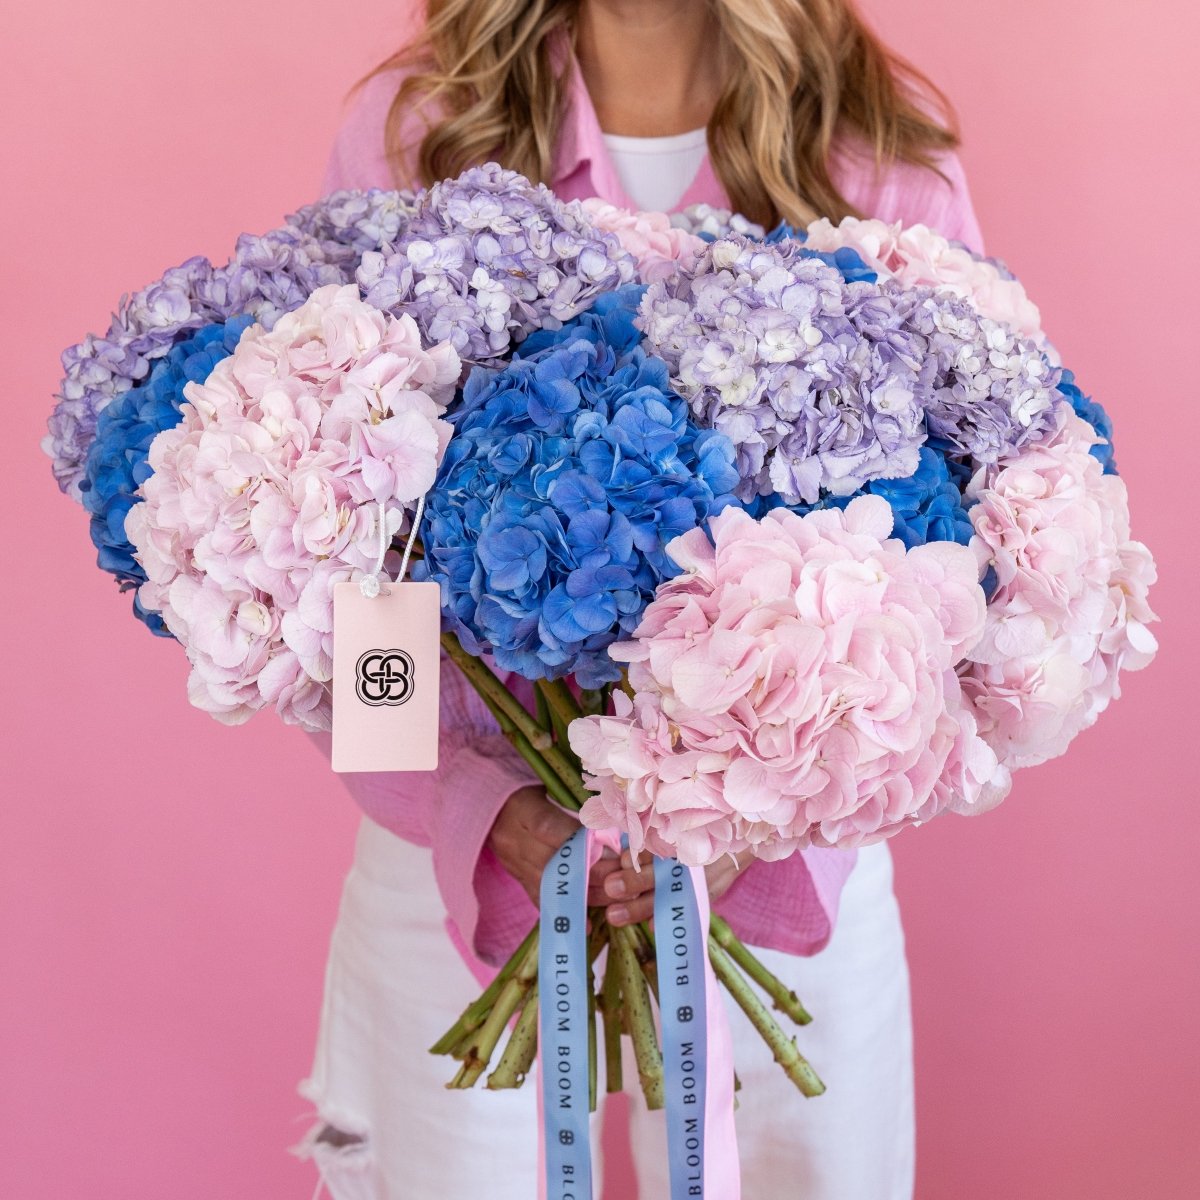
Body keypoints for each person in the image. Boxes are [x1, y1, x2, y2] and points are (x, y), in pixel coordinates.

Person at [298, 2, 984, 1197]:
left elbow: (955, 571)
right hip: (451, 862)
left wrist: (744, 824)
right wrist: (485, 805)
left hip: (788, 869)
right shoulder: (419, 128)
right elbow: (350, 559)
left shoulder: (880, 154)